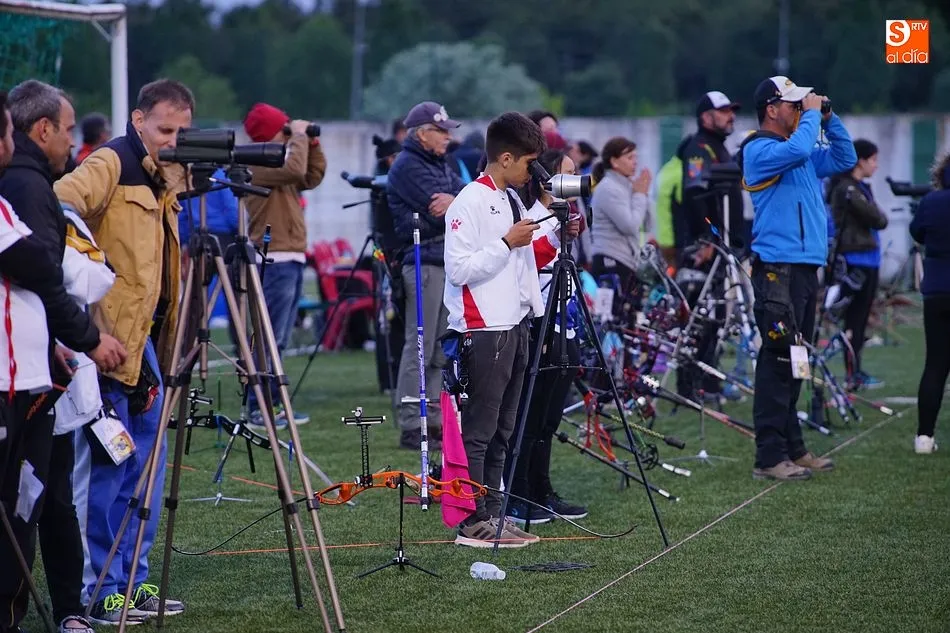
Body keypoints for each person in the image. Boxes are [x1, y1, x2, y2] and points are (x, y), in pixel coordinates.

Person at [55, 78, 194, 623]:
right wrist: (91, 276)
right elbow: (57, 204)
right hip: (108, 343)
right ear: (138, 120)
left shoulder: (167, 175)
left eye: (181, 132)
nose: (172, 140)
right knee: (108, 467)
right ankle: (99, 587)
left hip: (147, 345)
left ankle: (133, 580)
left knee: (146, 467)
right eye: (164, 129)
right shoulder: (111, 161)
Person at [737, 75, 856, 481]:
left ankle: (794, 447)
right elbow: (802, 147)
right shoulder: (759, 149)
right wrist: (811, 117)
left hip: (802, 268)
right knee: (777, 361)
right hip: (778, 269)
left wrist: (829, 118)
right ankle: (769, 457)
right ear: (771, 110)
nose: (801, 109)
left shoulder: (796, 151)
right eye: (793, 104)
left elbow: (844, 158)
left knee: (798, 360)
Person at [442, 111, 546, 548]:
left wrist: (553, 228)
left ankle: (494, 513)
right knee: (481, 432)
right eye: (528, 163)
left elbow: (525, 260)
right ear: (506, 158)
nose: (531, 173)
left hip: (514, 325)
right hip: (484, 329)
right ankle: (472, 521)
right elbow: (458, 269)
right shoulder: (469, 200)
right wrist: (506, 243)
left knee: (504, 431)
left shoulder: (511, 198)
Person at [505, 147, 587, 526]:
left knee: (550, 418)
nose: (574, 181)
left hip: (564, 322)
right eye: (566, 174)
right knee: (531, 414)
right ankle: (519, 493)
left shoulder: (562, 216)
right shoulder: (531, 217)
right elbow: (527, 263)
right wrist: (556, 233)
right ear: (546, 180)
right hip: (538, 323)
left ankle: (542, 489)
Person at [242, 102, 327, 428]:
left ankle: (272, 404)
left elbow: (311, 176)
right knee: (269, 337)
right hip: (273, 257)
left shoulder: (281, 162)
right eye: (285, 128)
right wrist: (300, 138)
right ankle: (258, 407)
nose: (290, 133)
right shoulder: (257, 164)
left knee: (279, 338)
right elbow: (294, 170)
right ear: (270, 134)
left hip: (289, 255)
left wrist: (311, 144)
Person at [387, 101, 465, 450]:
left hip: (442, 260)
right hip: (423, 261)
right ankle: (411, 423)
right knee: (419, 345)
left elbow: (467, 196)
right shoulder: (408, 166)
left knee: (437, 348)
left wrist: (455, 201)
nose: (448, 137)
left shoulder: (437, 163)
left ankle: (432, 420)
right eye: (441, 130)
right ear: (422, 134)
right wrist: (457, 203)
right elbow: (438, 211)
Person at [828, 139, 887, 390]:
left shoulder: (862, 188)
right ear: (860, 161)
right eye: (873, 160)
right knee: (854, 318)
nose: (876, 165)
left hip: (869, 259)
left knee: (862, 320)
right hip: (855, 260)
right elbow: (878, 218)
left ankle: (857, 371)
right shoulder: (847, 189)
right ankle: (852, 374)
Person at [909, 151, 950, 455]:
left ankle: (924, 437)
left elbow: (917, 233)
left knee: (935, 365)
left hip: (936, 290)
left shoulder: (931, 201)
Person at [589, 137, 654, 292]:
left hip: (627, 261)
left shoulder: (628, 186)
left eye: (636, 157)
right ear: (614, 161)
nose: (635, 162)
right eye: (630, 158)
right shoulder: (608, 188)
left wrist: (644, 193)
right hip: (610, 261)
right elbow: (629, 226)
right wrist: (639, 195)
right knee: (612, 308)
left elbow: (646, 225)